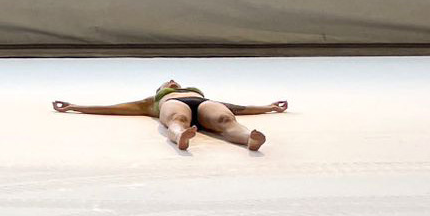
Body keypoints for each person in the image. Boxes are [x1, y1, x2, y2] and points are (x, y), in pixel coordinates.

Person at [52, 80, 287, 152]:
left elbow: (239, 107)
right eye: (167, 82)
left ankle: (249, 139)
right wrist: (75, 106)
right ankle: (180, 136)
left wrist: (269, 107)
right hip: (174, 105)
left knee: (227, 121)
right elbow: (115, 107)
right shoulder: (152, 102)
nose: (173, 80)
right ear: (160, 90)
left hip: (204, 104)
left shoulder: (201, 94)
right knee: (177, 121)